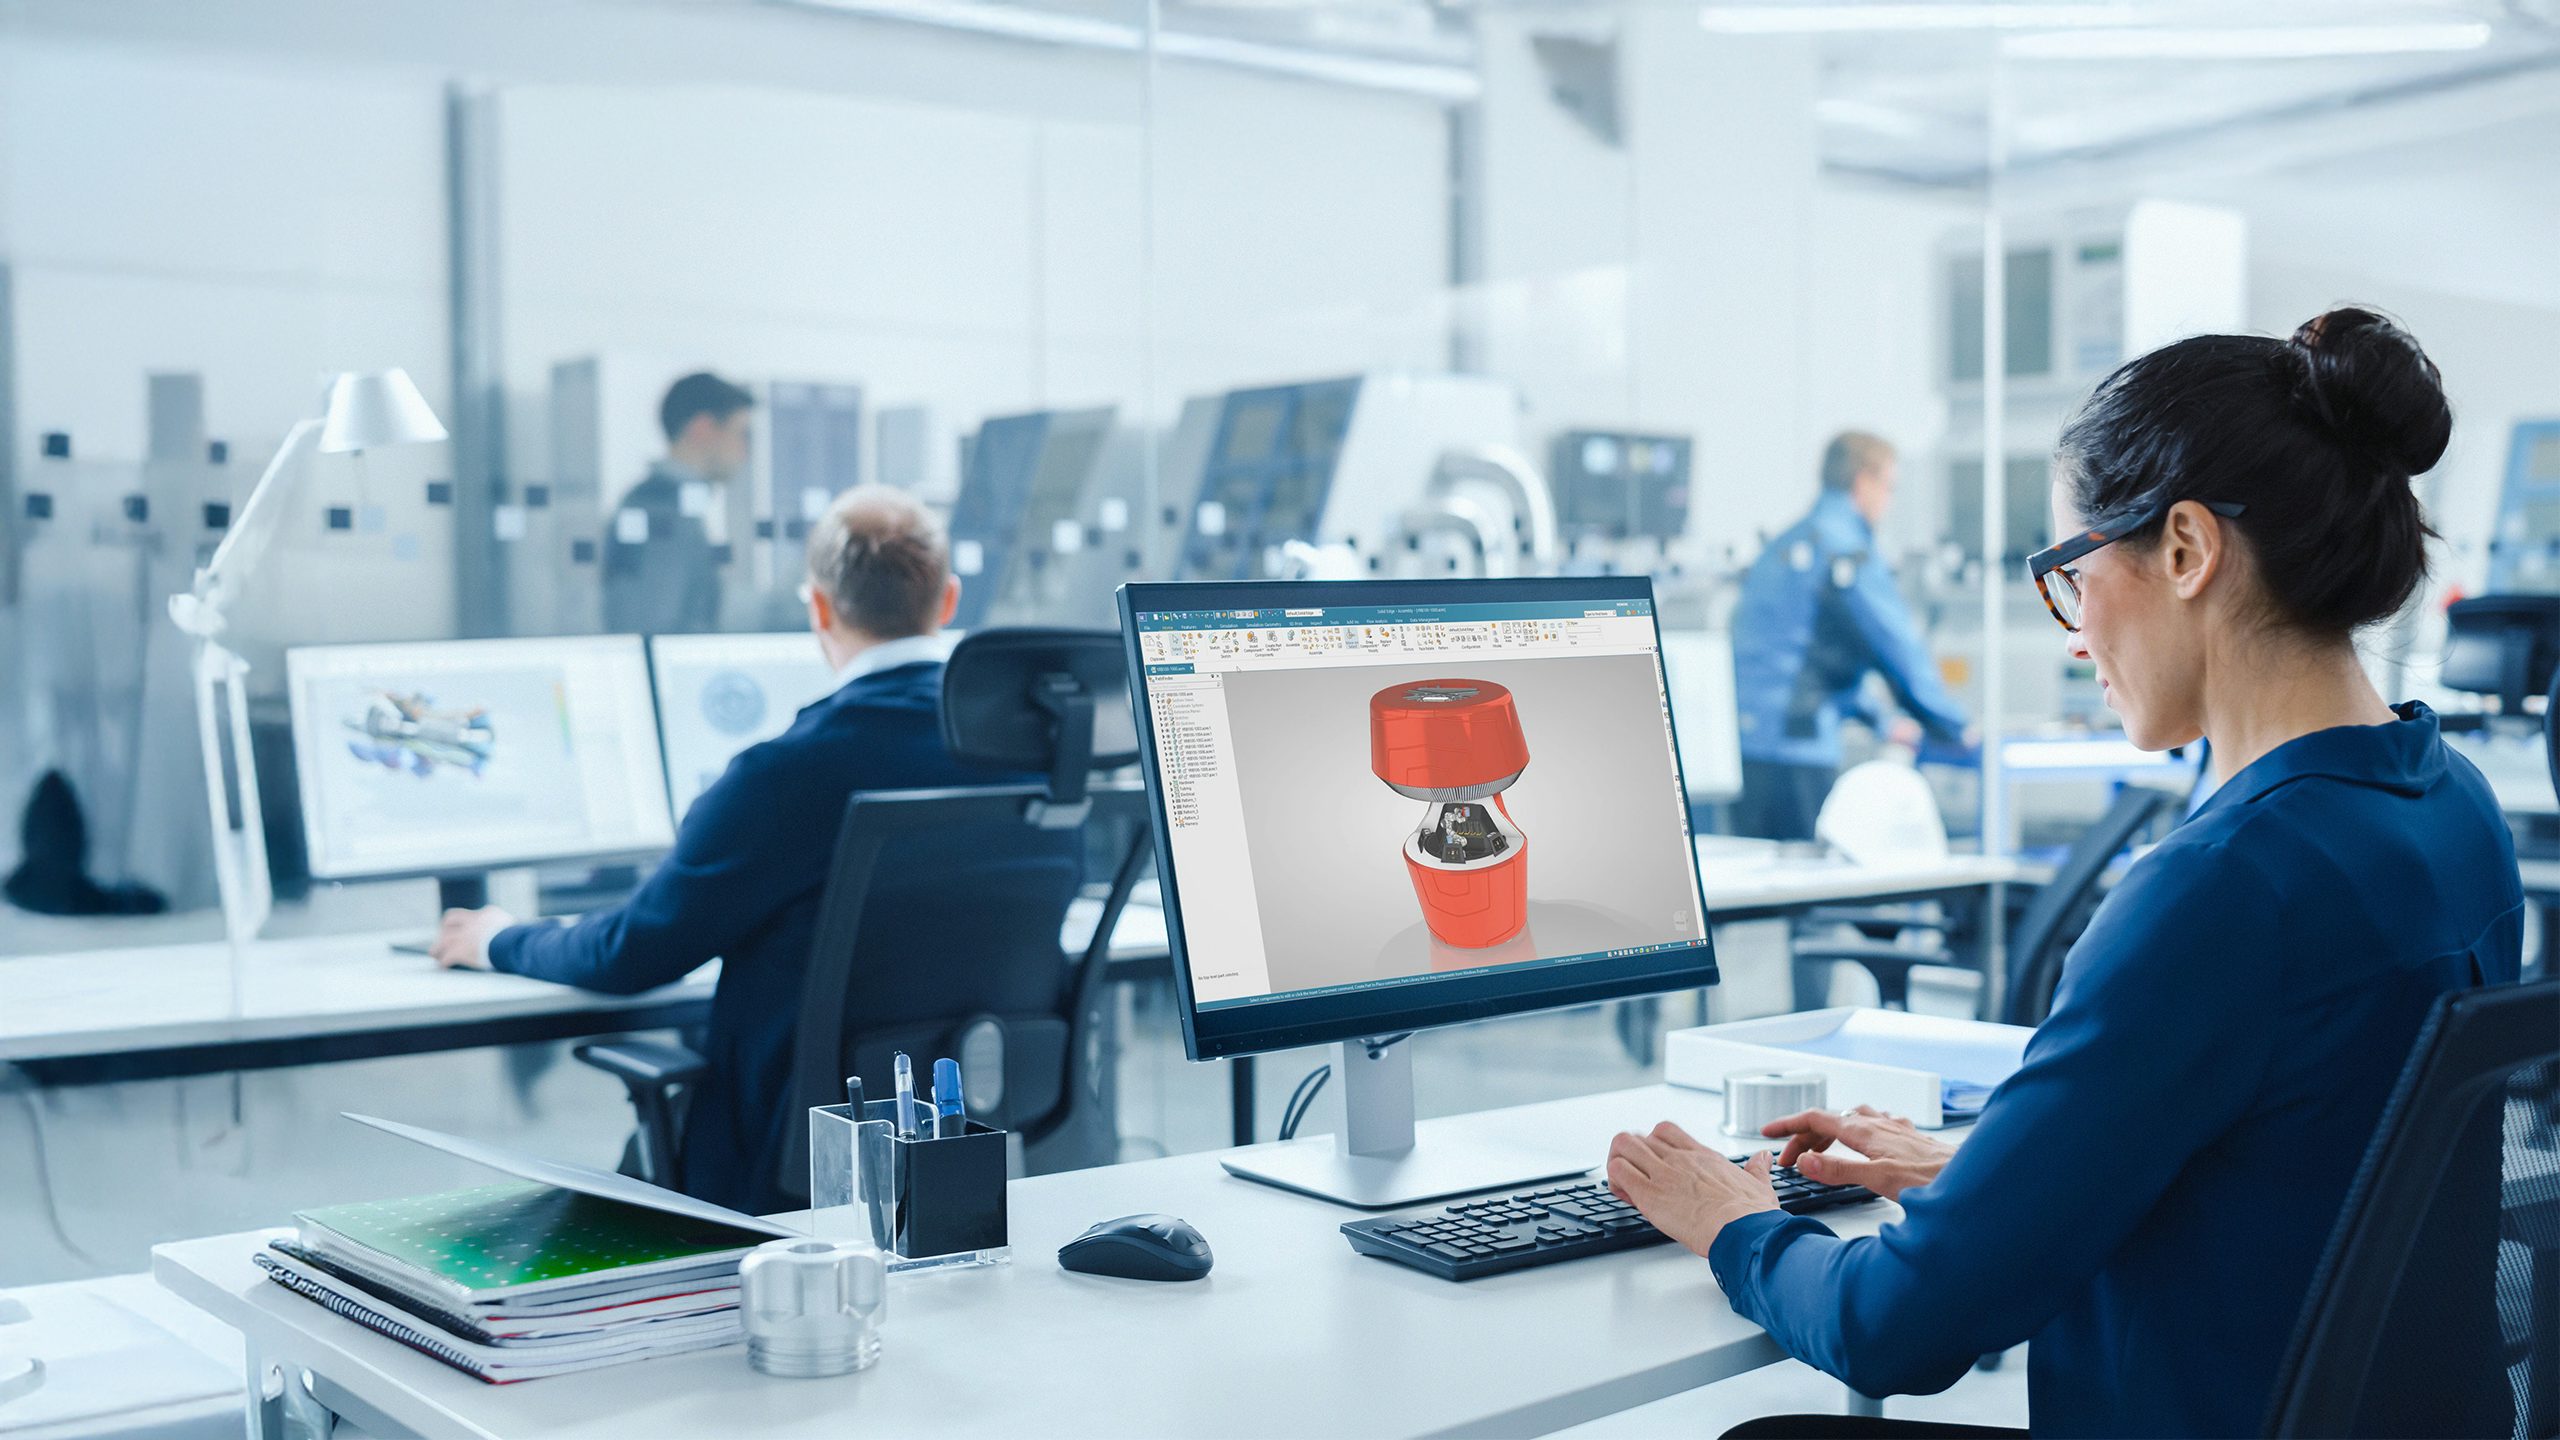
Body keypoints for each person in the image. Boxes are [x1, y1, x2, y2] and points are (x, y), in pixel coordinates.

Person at [1603, 309, 2523, 1438]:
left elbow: (1895, 1329)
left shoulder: (2221, 889)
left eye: (2072, 574)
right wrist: (1996, 1177)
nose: (2074, 634)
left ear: (2186, 550)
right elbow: (2307, 1165)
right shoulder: (2450, 806)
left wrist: (1733, 1220)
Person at [431, 487, 1068, 1213]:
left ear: (820, 609)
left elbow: (632, 952)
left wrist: (501, 939)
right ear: (948, 600)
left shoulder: (786, 774)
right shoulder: (1037, 757)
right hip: (978, 1139)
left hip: (784, 1166)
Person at [1731, 431, 1973, 1009]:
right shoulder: (1846, 548)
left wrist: (1879, 716)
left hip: (1748, 747)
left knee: (1759, 902)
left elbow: (1809, 650)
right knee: (1822, 903)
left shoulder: (1787, 544)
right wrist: (1954, 724)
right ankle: (1814, 1027)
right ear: (1863, 481)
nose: (1888, 500)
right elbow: (1893, 643)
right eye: (1888, 486)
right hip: (1798, 748)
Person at [602, 371, 754, 636]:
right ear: (703, 429)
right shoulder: (660, 510)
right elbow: (654, 627)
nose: (745, 450)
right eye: (741, 433)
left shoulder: (674, 505)